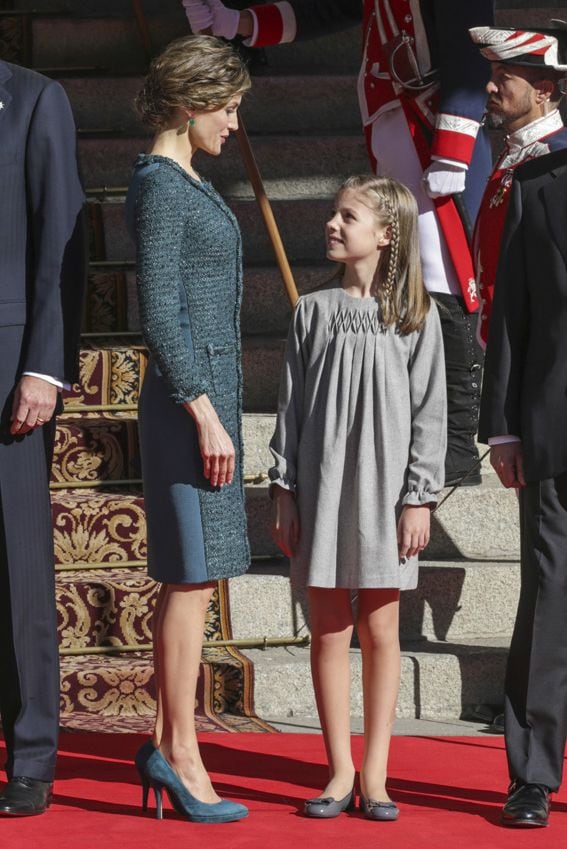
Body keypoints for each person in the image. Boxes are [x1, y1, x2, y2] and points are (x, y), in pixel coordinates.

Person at [183, 0, 493, 487]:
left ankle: (455, 447)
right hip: (396, 119)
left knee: (444, 278)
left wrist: (454, 146)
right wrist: (239, 23)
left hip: (431, 125)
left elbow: (466, 41)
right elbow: (330, 10)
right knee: (410, 278)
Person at [269, 174, 446, 820]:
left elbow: (430, 413)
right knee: (328, 628)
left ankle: (375, 772)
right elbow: (289, 409)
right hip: (320, 488)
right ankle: (337, 768)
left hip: (386, 494)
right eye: (333, 214)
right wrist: (283, 487)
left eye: (347, 216)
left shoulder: (413, 317)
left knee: (379, 627)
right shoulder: (310, 312)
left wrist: (418, 497)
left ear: (385, 233)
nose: (332, 224)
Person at [126, 35, 251, 824]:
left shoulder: (184, 180)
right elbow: (160, 316)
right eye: (228, 106)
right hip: (188, 407)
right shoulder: (160, 185)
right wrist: (203, 410)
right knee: (189, 577)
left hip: (203, 401)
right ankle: (177, 749)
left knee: (195, 578)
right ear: (190, 100)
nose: (235, 122)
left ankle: (174, 741)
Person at [0, 62, 85, 817]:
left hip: (8, 374)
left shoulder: (32, 99)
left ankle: (30, 752)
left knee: (19, 569)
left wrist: (43, 366)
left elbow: (60, 238)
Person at [478, 145, 567, 828]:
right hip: (552, 427)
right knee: (549, 594)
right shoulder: (534, 181)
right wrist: (501, 427)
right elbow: (509, 308)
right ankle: (531, 773)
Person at [470, 23, 567, 348]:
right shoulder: (516, 151)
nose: (490, 87)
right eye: (493, 74)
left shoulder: (556, 161)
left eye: (504, 77)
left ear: (542, 91)